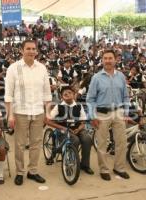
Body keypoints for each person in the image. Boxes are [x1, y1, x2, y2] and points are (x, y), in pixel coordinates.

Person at [5, 39, 52, 185]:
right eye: (28, 48)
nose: (31, 51)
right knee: (19, 144)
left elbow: (47, 93)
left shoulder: (42, 68)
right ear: (22, 50)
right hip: (20, 112)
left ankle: (33, 171)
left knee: (35, 143)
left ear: (36, 51)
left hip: (38, 111)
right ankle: (20, 172)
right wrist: (10, 115)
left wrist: (48, 113)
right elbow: (8, 94)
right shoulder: (14, 68)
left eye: (33, 49)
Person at [86, 49, 130, 181]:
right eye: (105, 58)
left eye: (110, 58)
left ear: (115, 60)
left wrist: (126, 113)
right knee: (102, 143)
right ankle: (104, 169)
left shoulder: (121, 76)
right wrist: (92, 116)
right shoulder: (96, 78)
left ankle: (119, 168)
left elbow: (126, 96)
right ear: (102, 60)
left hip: (118, 112)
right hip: (102, 113)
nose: (108, 61)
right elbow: (90, 99)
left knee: (121, 142)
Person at [45, 86, 94, 174]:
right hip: (63, 129)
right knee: (74, 140)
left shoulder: (79, 106)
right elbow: (48, 121)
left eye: (69, 92)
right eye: (65, 93)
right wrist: (62, 128)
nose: (67, 94)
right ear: (61, 96)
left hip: (76, 129)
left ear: (74, 94)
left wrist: (78, 129)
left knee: (87, 139)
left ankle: (85, 165)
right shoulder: (58, 106)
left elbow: (83, 122)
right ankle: (69, 163)